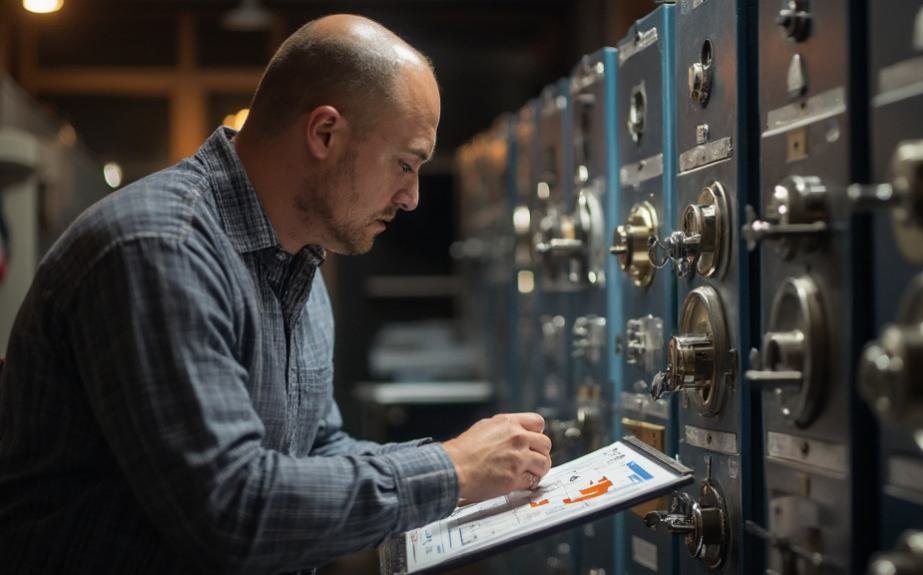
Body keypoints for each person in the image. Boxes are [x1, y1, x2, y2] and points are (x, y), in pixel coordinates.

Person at [0, 14, 552, 574]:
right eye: (405, 163)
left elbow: (319, 452)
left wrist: (477, 465)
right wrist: (452, 470)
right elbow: (230, 511)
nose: (410, 197)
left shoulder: (298, 266)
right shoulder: (159, 248)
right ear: (325, 134)